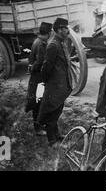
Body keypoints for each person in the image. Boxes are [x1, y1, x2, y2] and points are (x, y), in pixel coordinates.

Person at [38, 17, 72, 146]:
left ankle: (56, 135)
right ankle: (52, 139)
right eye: (65, 28)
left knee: (57, 109)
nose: (67, 31)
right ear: (58, 30)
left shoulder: (60, 42)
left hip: (61, 84)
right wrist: (49, 82)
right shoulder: (53, 45)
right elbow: (46, 67)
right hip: (55, 85)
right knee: (52, 111)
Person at [25, 22, 53, 136]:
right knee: (38, 102)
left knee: (38, 101)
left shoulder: (37, 41)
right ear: (49, 32)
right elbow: (40, 61)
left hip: (36, 77)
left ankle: (40, 125)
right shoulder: (41, 44)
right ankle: (38, 128)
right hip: (39, 78)